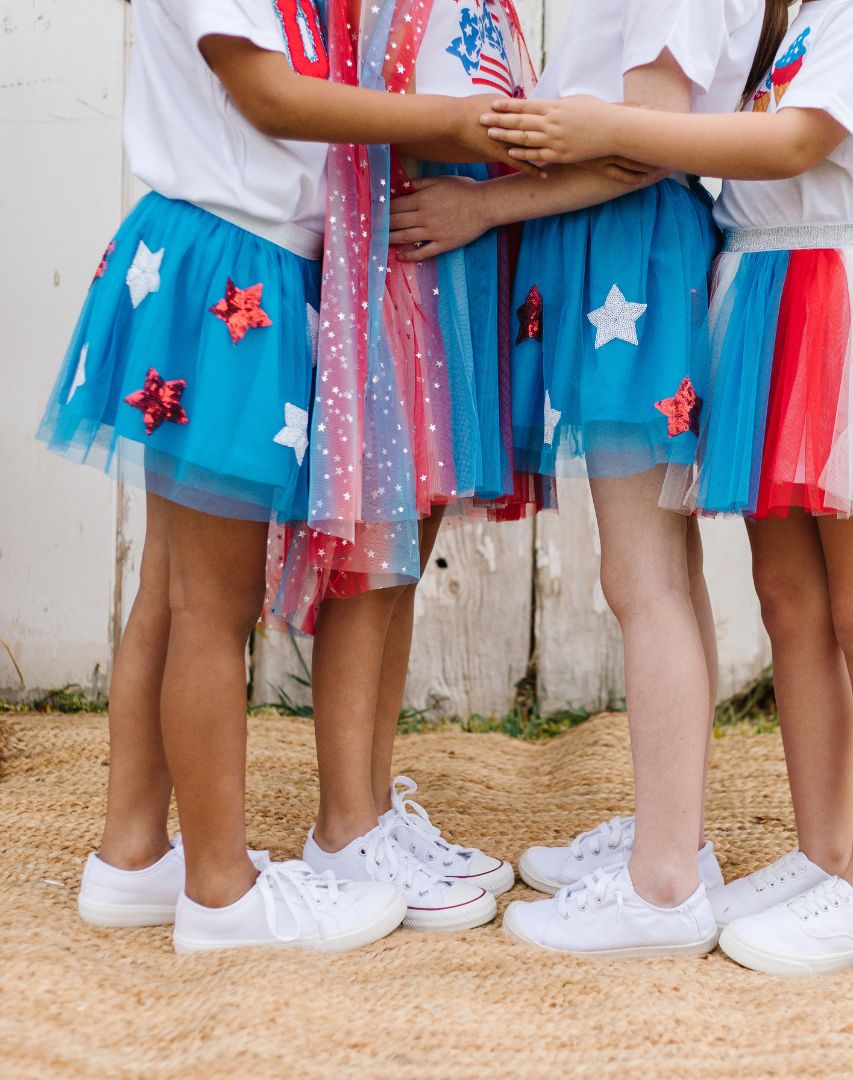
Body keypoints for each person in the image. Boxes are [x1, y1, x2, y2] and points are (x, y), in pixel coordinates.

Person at [484, 0, 853, 974]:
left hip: (846, 302)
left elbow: (794, 142)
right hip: (770, 300)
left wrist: (610, 130)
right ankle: (822, 852)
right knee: (792, 602)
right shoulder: (811, 14)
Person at [40, 0, 521, 954]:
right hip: (233, 277)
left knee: (173, 594)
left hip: (235, 263)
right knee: (207, 608)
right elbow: (269, 95)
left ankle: (131, 855)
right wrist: (453, 124)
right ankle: (222, 894)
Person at [389, 0, 768, 958]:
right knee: (664, 571)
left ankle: (663, 885)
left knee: (643, 578)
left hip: (628, 251)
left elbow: (645, 144)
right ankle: (674, 838)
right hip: (621, 249)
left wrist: (485, 204)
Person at [265, 0, 538, 934]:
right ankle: (344, 825)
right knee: (369, 560)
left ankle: (374, 805)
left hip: (452, 272)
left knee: (403, 561)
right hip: (391, 275)